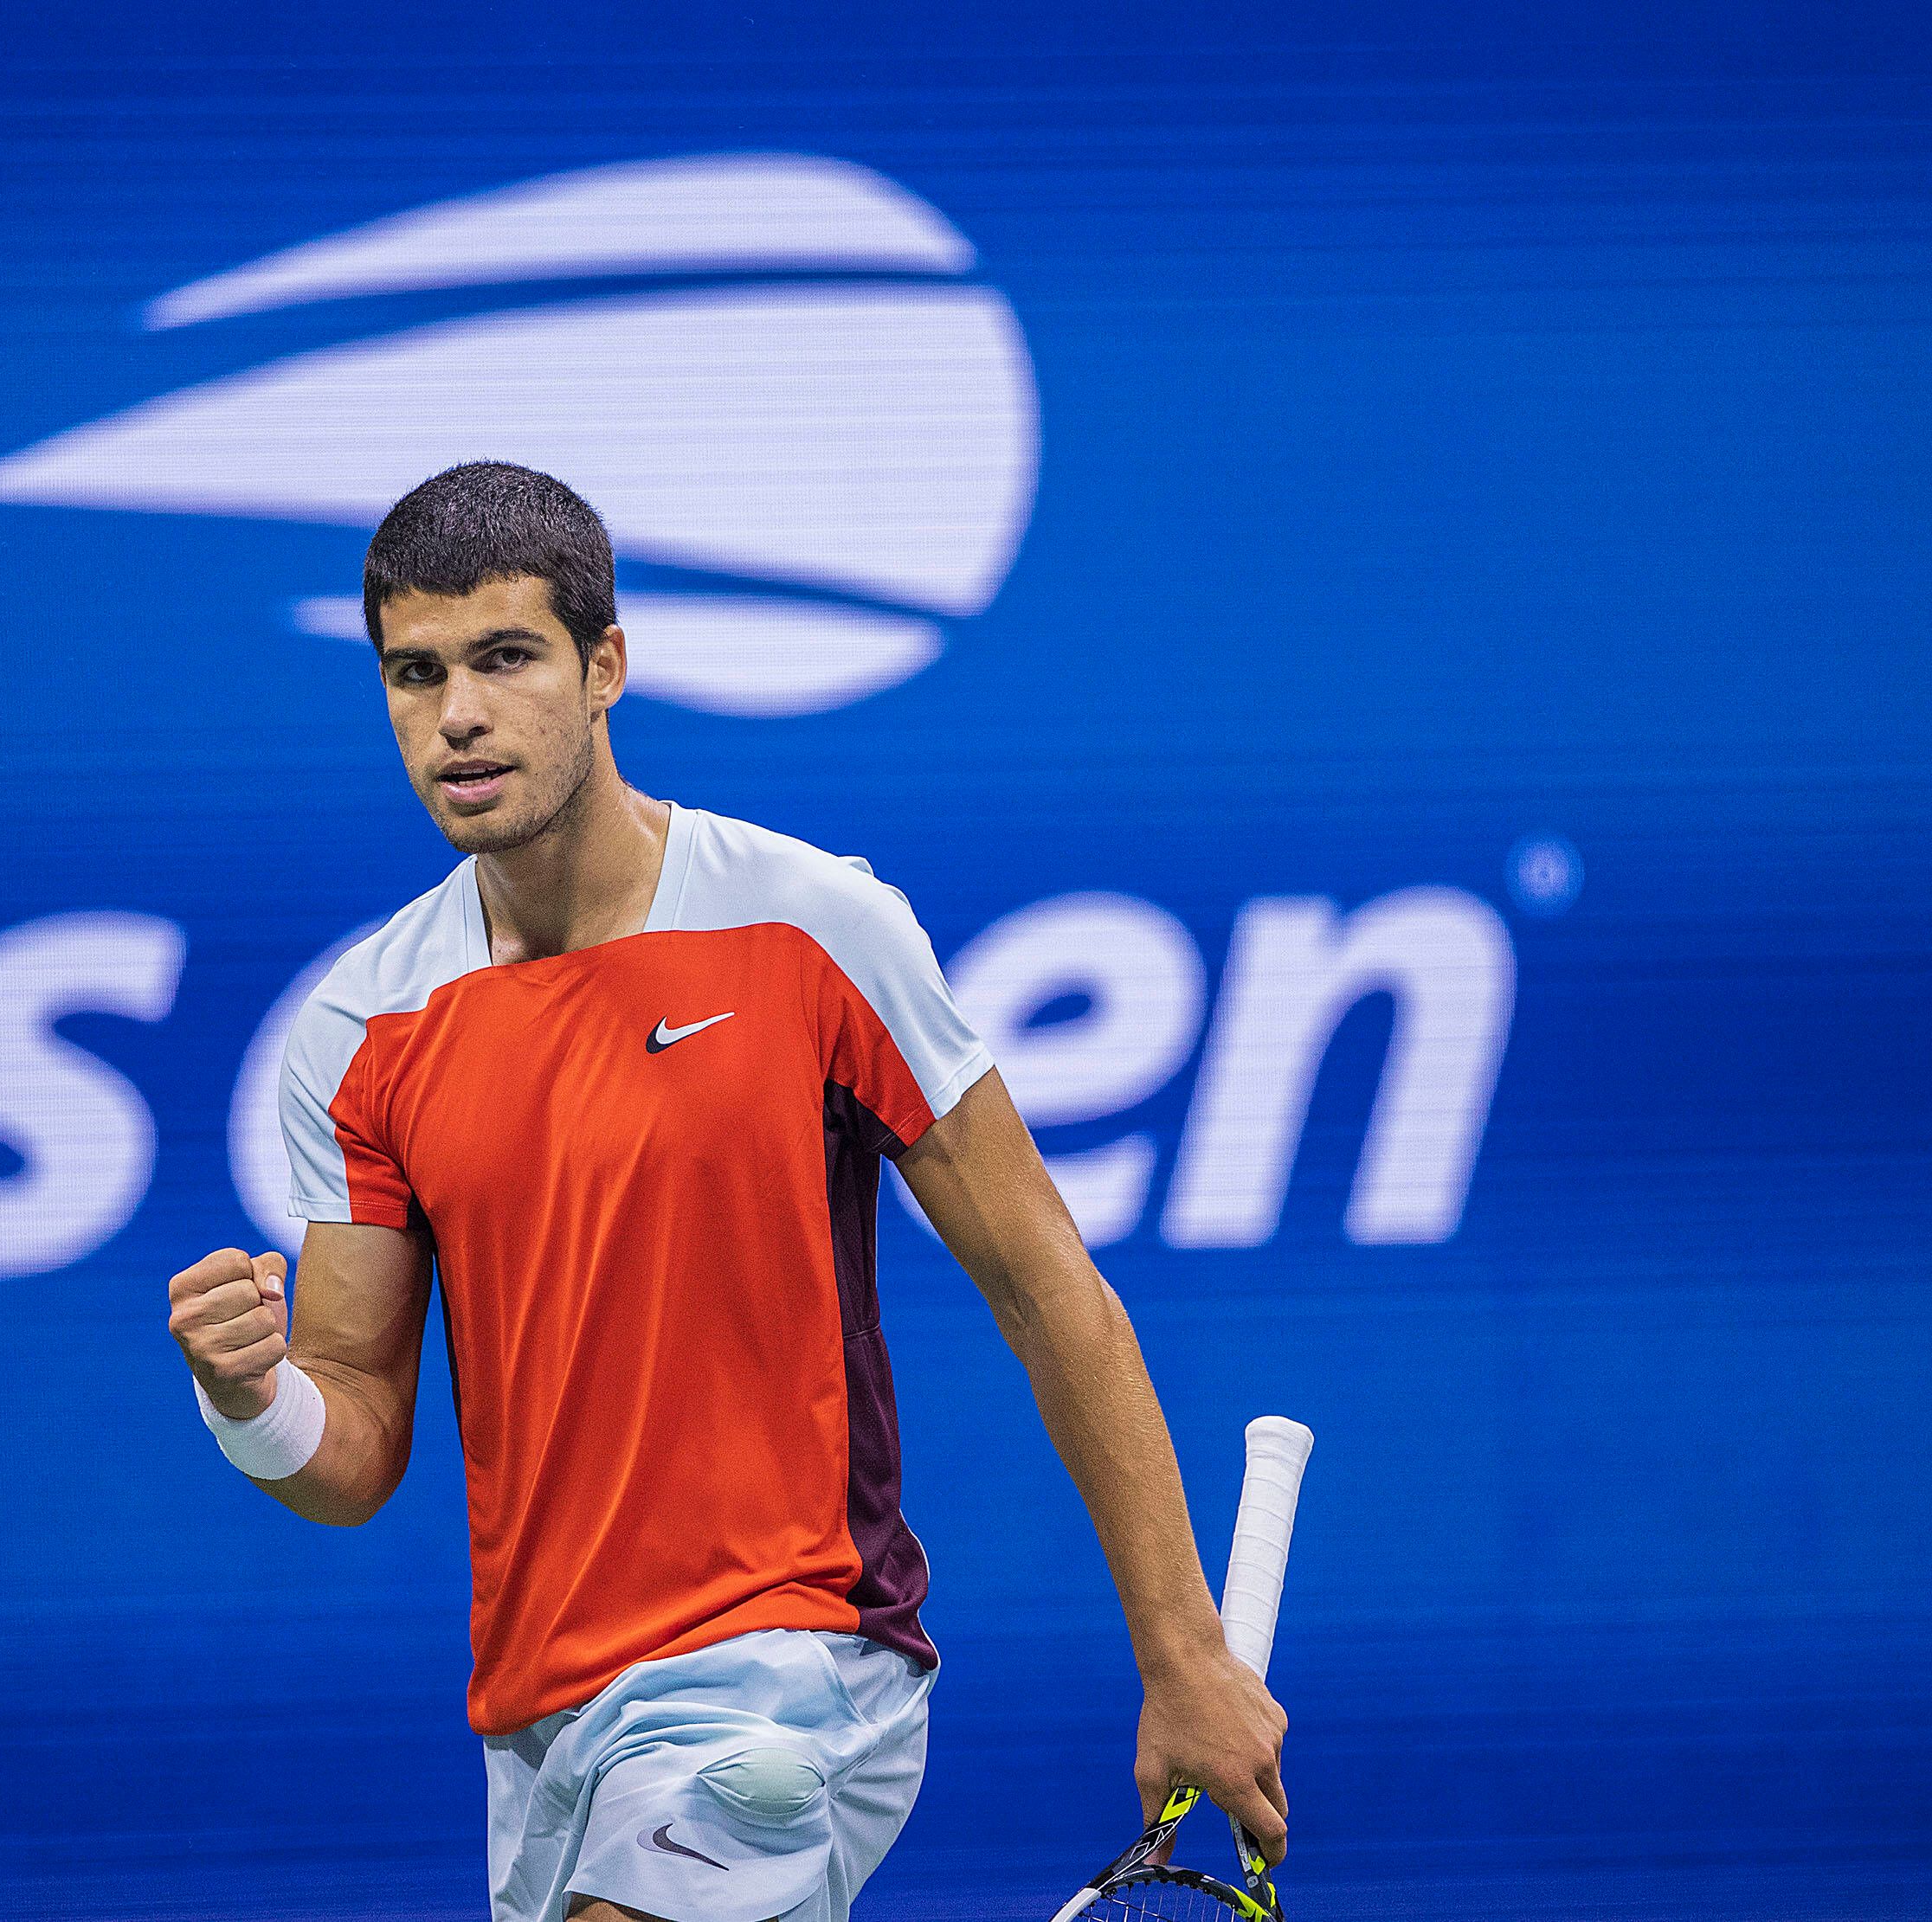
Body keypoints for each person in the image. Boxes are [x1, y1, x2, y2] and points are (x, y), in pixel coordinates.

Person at [167, 463, 1286, 1922]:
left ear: (605, 666)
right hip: (541, 1725)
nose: (457, 714)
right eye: (415, 672)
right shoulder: (359, 1029)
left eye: (506, 658)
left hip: (788, 1671)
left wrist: (1182, 1650)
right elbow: (357, 1441)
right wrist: (247, 1400)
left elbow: (1045, 1284)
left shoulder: (814, 926)